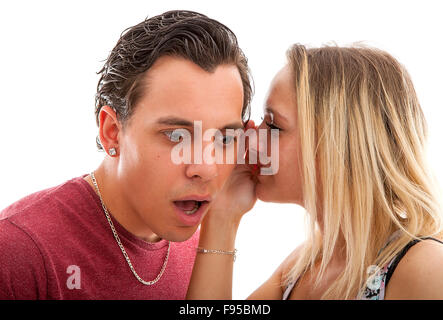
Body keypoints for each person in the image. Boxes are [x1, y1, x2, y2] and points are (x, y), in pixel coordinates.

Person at [0, 10, 253, 299]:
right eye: (175, 136)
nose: (206, 168)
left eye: (225, 138)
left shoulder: (208, 246)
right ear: (112, 131)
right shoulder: (19, 250)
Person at [187, 44, 443, 300]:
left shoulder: (429, 270)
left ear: (342, 147)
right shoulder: (300, 269)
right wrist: (222, 217)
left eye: (275, 126)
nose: (251, 141)